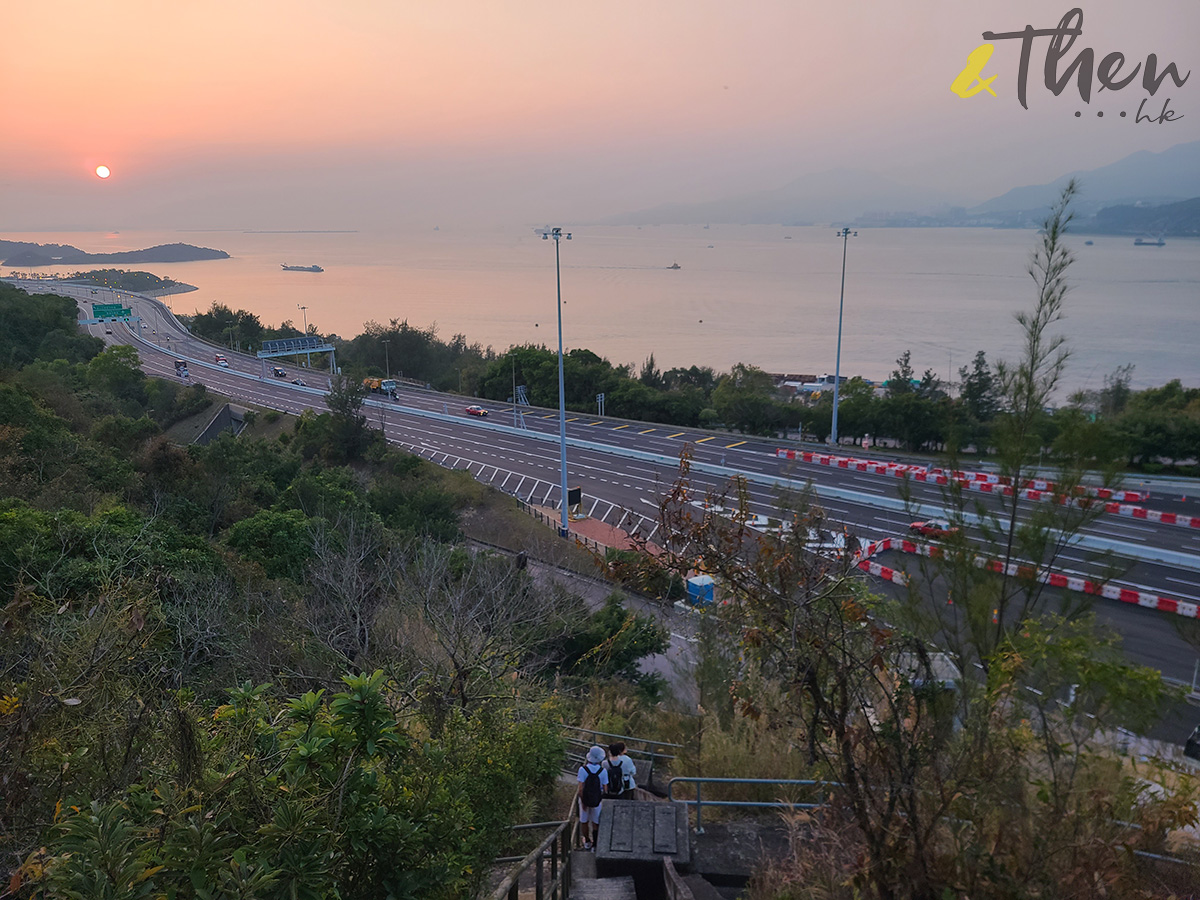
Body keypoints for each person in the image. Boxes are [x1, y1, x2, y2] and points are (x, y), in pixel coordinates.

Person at [577, 745, 608, 850]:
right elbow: (605, 788)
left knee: (584, 821)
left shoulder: (582, 769)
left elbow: (580, 788)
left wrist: (583, 801)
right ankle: (595, 844)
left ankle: (587, 841)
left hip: (584, 800)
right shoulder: (603, 771)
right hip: (597, 800)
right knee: (596, 822)